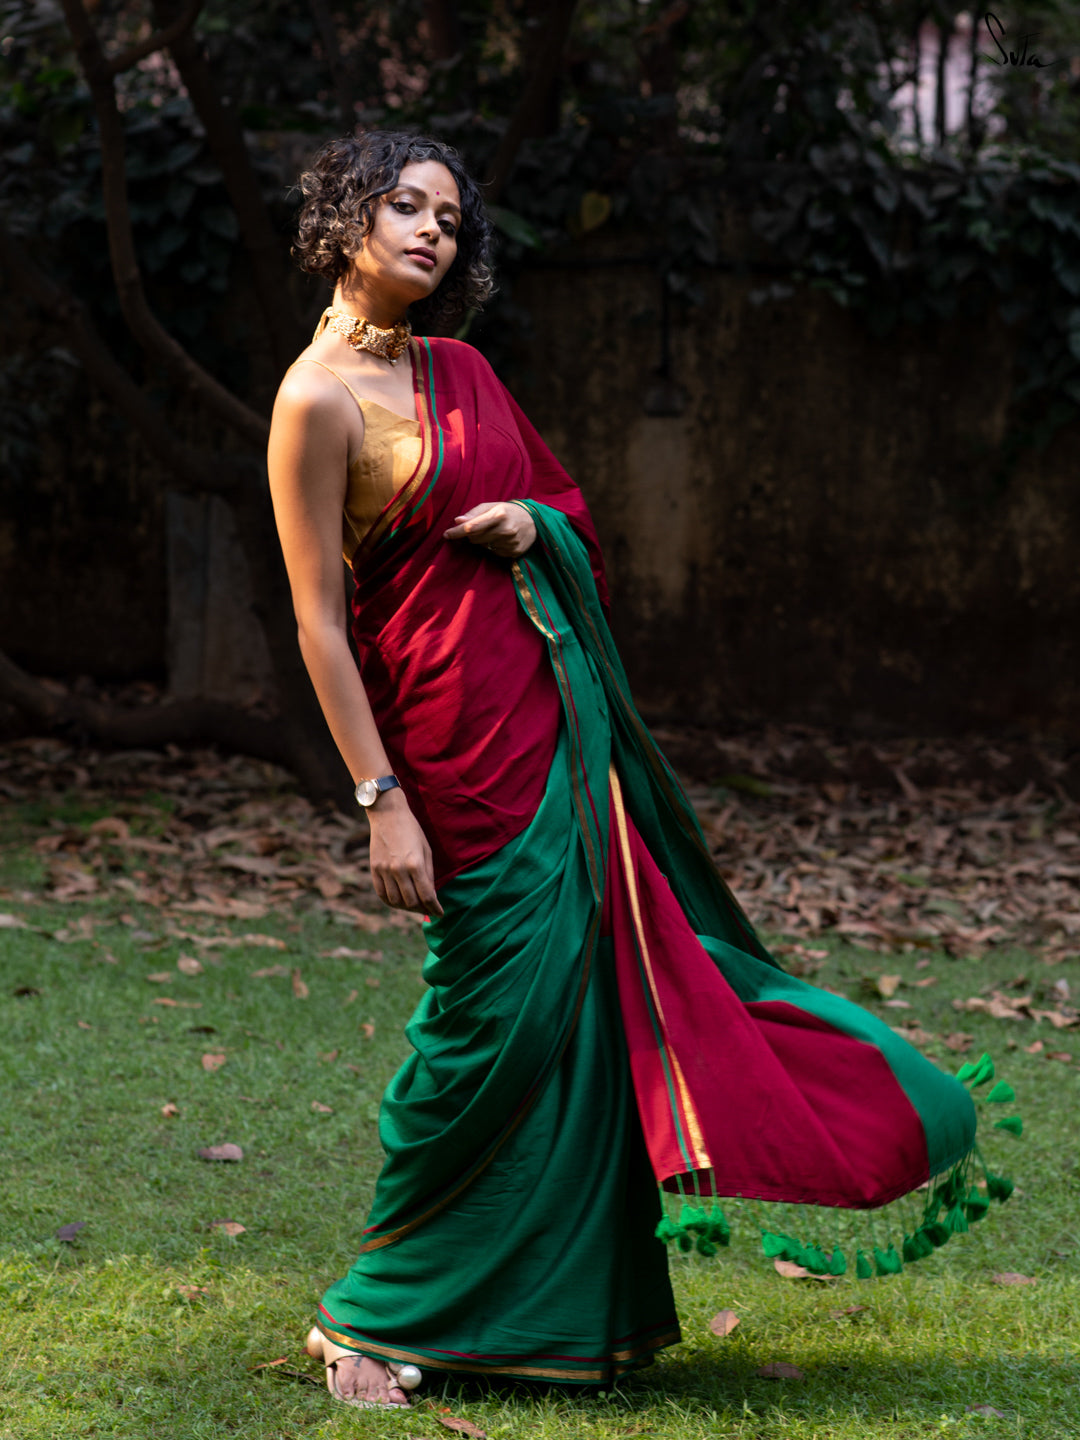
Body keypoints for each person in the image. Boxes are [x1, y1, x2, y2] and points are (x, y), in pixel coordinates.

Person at [266, 132, 1011, 1413]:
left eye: (451, 216)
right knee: (482, 1031)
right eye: (404, 206)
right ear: (345, 221)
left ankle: (564, 1313)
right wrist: (380, 801)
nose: (433, 232)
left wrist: (531, 526)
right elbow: (320, 622)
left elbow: (568, 512)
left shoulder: (468, 373)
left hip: (548, 729)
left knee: (589, 1021)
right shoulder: (313, 400)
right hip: (445, 752)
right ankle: (370, 1320)